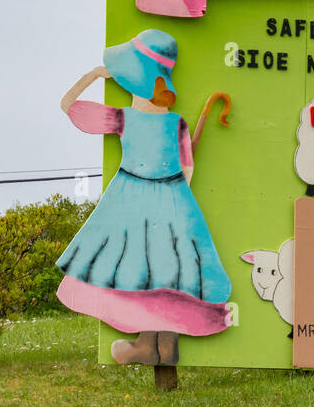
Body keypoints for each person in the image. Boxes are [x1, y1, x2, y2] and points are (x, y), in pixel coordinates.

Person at [55, 29, 232, 366]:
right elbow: (188, 171)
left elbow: (68, 106)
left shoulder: (124, 118)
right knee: (170, 271)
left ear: (134, 80)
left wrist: (94, 74)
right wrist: (175, 200)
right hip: (174, 197)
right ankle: (162, 345)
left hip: (132, 197)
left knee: (136, 269)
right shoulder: (177, 123)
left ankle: (149, 345)